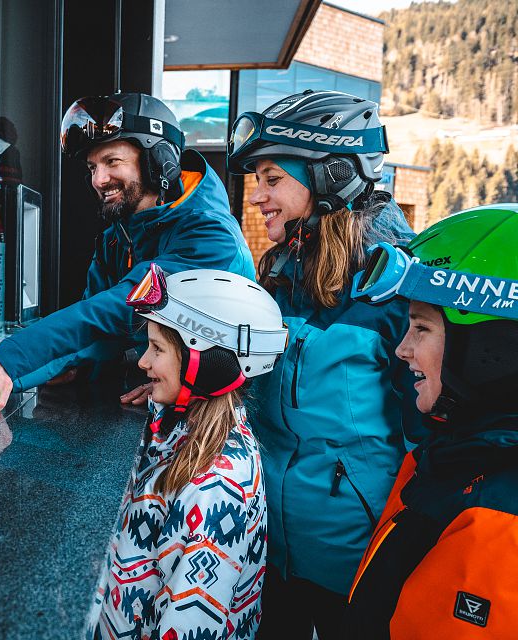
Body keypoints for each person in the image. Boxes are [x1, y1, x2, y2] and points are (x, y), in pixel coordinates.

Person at [226, 89, 423, 639]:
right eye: (257, 181)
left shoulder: (395, 291)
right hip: (267, 548)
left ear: (331, 174)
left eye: (272, 178)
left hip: (353, 560)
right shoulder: (283, 270)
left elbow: (426, 439)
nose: (259, 197)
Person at [0, 93, 255, 413]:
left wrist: (8, 360)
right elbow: (96, 333)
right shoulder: (118, 237)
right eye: (93, 166)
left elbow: (116, 309)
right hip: (169, 394)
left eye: (112, 161)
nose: (98, 179)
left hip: (217, 413)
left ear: (158, 160)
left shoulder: (210, 236)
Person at [345, 204, 518, 639]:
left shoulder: (497, 515)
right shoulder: (458, 457)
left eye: (421, 328)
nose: (403, 349)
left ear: (488, 348)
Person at [92, 264, 287, 639]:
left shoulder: (215, 487)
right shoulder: (189, 430)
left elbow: (191, 621)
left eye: (157, 349)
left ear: (207, 364)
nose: (144, 362)